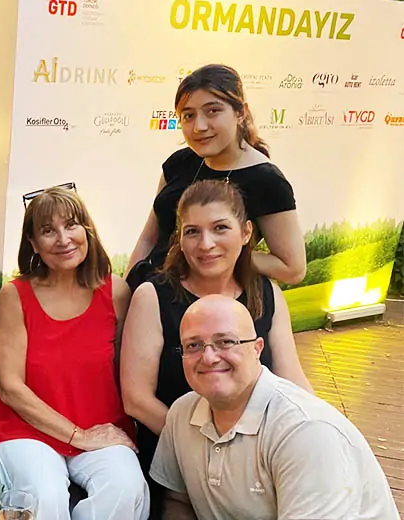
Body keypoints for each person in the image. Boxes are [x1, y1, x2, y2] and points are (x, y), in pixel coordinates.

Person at [120, 179, 312, 518]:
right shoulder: (153, 296)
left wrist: (321, 429)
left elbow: (293, 379)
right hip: (177, 459)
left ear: (246, 232)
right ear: (179, 239)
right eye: (192, 232)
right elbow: (136, 399)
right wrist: (205, 447)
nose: (206, 244)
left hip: (258, 460)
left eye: (220, 228)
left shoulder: (267, 294)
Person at [151, 294, 399, 520]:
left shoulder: (306, 432)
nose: (209, 357)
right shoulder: (182, 414)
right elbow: (178, 502)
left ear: (257, 348)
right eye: (193, 345)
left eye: (225, 341)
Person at [0, 187, 149, 520]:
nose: (63, 239)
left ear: (87, 230)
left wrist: (92, 435)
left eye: (71, 225)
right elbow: (11, 389)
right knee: (43, 495)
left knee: (126, 488)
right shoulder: (15, 297)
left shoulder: (116, 292)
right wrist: (78, 436)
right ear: (33, 243)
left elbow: (126, 372)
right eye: (48, 230)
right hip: (26, 430)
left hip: (102, 426)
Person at [126, 64, 306, 291]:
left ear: (240, 112)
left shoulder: (266, 180)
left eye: (212, 111)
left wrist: (217, 253)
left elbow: (292, 268)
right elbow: (148, 240)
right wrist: (127, 293)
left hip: (208, 302)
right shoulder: (179, 163)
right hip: (152, 291)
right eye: (188, 115)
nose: (199, 126)